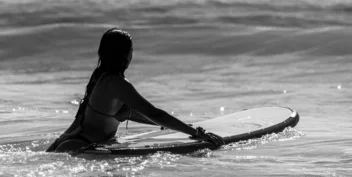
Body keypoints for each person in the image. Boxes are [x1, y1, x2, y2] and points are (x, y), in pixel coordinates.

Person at [47, 28, 224, 153]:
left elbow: (130, 114)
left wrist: (174, 127)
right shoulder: (117, 84)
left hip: (66, 143)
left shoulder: (100, 77)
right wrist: (197, 133)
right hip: (81, 147)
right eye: (131, 50)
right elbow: (154, 113)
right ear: (126, 55)